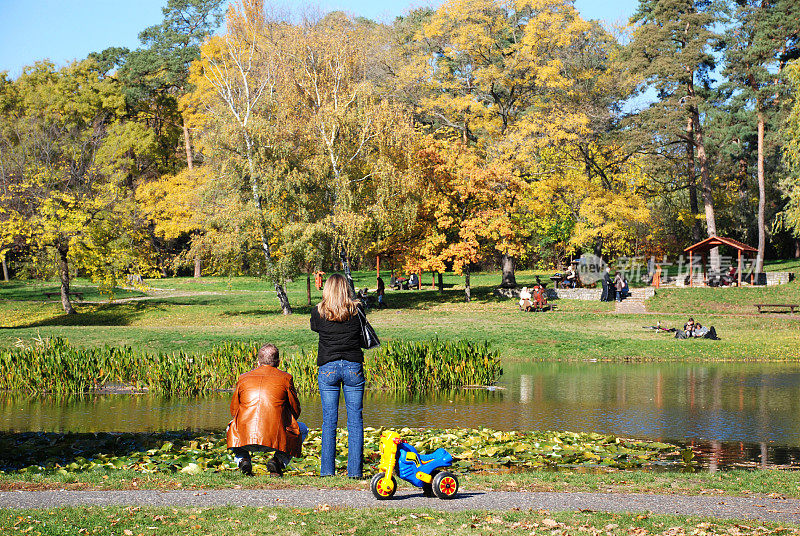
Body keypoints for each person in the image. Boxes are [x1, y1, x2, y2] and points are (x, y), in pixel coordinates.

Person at [310, 274, 367, 478]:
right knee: (355, 421)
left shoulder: (318, 311)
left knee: (329, 422)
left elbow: (315, 327)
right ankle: (355, 472)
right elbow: (361, 334)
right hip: (353, 365)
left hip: (328, 366)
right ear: (346, 289)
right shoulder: (357, 309)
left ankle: (327, 472)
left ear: (326, 289)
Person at [227, 343, 307, 477]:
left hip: (246, 439)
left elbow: (234, 411)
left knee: (230, 427)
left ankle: (243, 460)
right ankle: (278, 461)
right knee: (303, 428)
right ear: (279, 362)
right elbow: (295, 410)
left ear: (258, 361)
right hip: (274, 439)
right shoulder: (286, 378)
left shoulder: (243, 378)